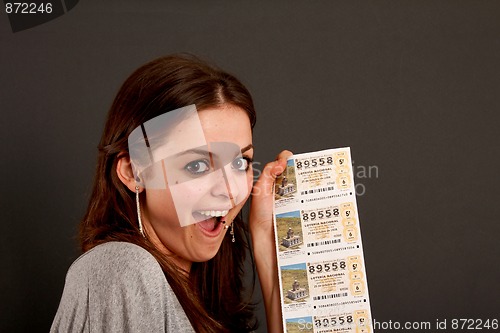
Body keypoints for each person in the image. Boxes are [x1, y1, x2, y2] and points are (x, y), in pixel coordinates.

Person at [51, 54, 290, 333]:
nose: (229, 190)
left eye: (240, 163)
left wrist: (265, 237)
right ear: (133, 172)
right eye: (198, 165)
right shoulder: (124, 269)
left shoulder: (197, 290)